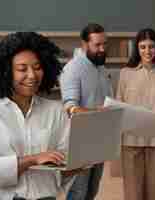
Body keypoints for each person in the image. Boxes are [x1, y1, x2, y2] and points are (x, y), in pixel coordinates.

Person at [0, 32, 75, 200]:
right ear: (5, 72)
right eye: (22, 69)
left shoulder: (56, 111)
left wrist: (77, 163)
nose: (32, 75)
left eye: (37, 67)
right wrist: (32, 160)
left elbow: (63, 162)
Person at [60, 23, 113, 200]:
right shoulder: (73, 69)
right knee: (78, 193)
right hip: (79, 143)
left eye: (104, 44)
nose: (102, 49)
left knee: (91, 192)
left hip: (100, 141)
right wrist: (97, 112)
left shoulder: (102, 69)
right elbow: (70, 108)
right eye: (97, 45)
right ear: (84, 44)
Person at [116, 28, 155, 200]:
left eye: (151, 47)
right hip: (131, 140)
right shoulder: (125, 73)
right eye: (143, 47)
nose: (147, 51)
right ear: (137, 49)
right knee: (133, 193)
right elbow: (119, 104)